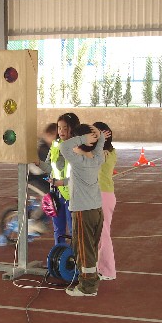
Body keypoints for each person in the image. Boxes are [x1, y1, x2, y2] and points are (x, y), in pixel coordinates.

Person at [59, 123, 109, 297]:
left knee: (83, 249)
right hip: (96, 210)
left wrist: (83, 139)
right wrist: (99, 138)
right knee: (91, 248)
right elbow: (98, 147)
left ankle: (87, 287)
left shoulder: (79, 161)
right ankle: (92, 279)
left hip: (83, 212)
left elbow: (63, 146)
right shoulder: (97, 159)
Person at [39, 113, 80, 244]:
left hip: (72, 195)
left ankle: (76, 260)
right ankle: (59, 258)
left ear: (72, 129)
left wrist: (61, 182)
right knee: (58, 230)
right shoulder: (55, 145)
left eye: (65, 128)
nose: (61, 131)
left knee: (74, 231)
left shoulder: (78, 148)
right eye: (59, 127)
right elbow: (50, 168)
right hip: (56, 194)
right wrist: (38, 163)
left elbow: (79, 175)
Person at [94, 122, 117, 281]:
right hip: (102, 194)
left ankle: (108, 270)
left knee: (103, 234)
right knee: (99, 234)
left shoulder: (105, 153)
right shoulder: (106, 151)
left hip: (103, 195)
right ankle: (100, 267)